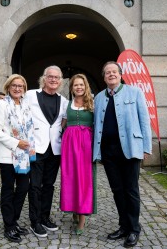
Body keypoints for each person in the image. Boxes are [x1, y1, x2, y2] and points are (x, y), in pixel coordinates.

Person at [93, 61, 152, 248]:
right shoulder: (99, 98)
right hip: (108, 152)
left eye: (114, 72)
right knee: (117, 190)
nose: (111, 74)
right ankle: (123, 226)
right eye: (107, 72)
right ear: (104, 77)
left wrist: (146, 147)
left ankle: (134, 229)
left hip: (130, 149)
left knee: (131, 190)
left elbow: (144, 120)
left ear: (120, 74)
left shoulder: (134, 92)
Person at [0, 74, 35, 243]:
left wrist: (29, 147)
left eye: (20, 86)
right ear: (8, 87)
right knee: (8, 190)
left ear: (24, 89)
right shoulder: (1, 104)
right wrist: (16, 143)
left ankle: (13, 220)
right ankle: (9, 226)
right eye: (14, 85)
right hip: (8, 155)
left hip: (24, 156)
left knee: (24, 187)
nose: (17, 88)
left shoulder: (25, 105)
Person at [25, 65, 68, 238]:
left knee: (49, 185)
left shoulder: (63, 100)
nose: (53, 80)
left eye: (57, 77)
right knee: (35, 185)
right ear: (44, 78)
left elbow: (63, 121)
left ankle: (44, 216)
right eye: (50, 76)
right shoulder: (30, 95)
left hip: (54, 148)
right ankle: (35, 221)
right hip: (36, 147)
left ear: (60, 81)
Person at [60, 74, 96, 235]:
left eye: (81, 84)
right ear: (72, 88)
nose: (79, 87)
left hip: (86, 144)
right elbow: (61, 124)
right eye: (76, 85)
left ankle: (81, 219)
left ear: (85, 86)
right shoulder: (67, 105)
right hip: (69, 145)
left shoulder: (93, 103)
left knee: (84, 179)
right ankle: (74, 210)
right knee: (70, 178)